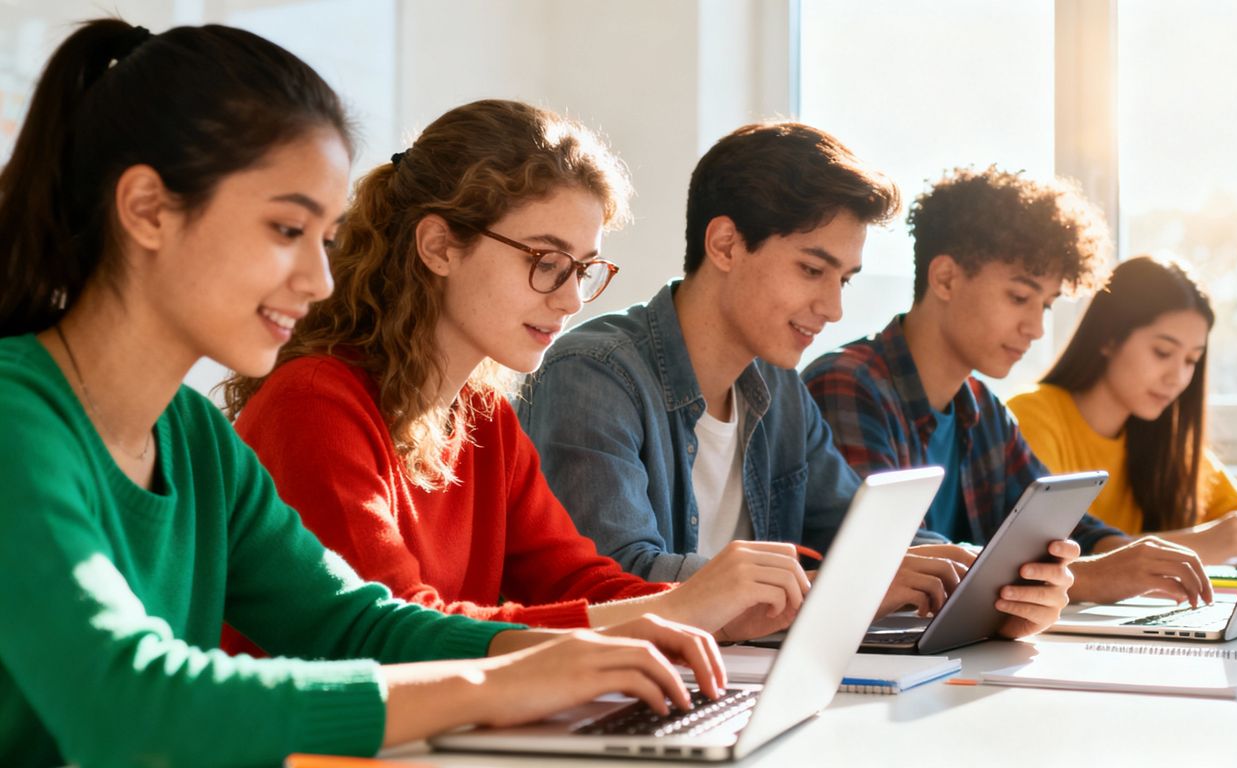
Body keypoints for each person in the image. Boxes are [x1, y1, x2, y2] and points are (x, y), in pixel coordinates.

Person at [0, 21, 723, 766]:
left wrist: (555, 653)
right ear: (148, 209)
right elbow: (128, 700)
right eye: (287, 228)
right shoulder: (16, 420)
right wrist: (493, 681)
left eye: (325, 236)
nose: (318, 279)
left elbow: (353, 623)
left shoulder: (190, 434)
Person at [219, 99, 808, 651]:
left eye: (583, 269)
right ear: (439, 246)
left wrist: (715, 611)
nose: (573, 299)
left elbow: (575, 582)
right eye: (547, 262)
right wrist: (676, 612)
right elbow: (395, 632)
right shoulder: (316, 403)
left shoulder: (482, 415)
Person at [519, 123, 1079, 638]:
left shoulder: (776, 388)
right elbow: (616, 586)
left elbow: (863, 532)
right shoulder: (593, 375)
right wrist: (848, 586)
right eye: (812, 270)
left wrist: (990, 581)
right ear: (725, 245)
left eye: (844, 279)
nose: (833, 308)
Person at [803, 166, 1215, 608]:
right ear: (944, 278)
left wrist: (1133, 559)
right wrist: (1091, 577)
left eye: (1046, 305)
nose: (1036, 328)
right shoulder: (847, 384)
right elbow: (903, 559)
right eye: (1020, 298)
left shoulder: (982, 408)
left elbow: (1062, 526)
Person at [1007, 255, 1237, 565]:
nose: (1178, 378)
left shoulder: (1168, 441)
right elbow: (1042, 555)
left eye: (1191, 361)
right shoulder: (1032, 415)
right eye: (1163, 352)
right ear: (1108, 339)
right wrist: (1198, 544)